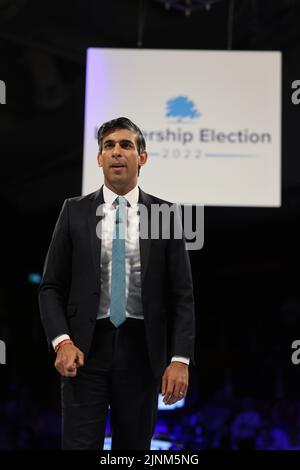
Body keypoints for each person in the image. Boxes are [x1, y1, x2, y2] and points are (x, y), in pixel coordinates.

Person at [38, 117, 195, 450]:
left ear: (142, 157)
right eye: (108, 146)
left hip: (143, 352)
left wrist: (179, 360)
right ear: (99, 158)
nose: (117, 152)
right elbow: (51, 286)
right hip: (84, 351)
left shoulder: (165, 214)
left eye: (126, 145)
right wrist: (61, 341)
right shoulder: (73, 211)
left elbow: (181, 296)